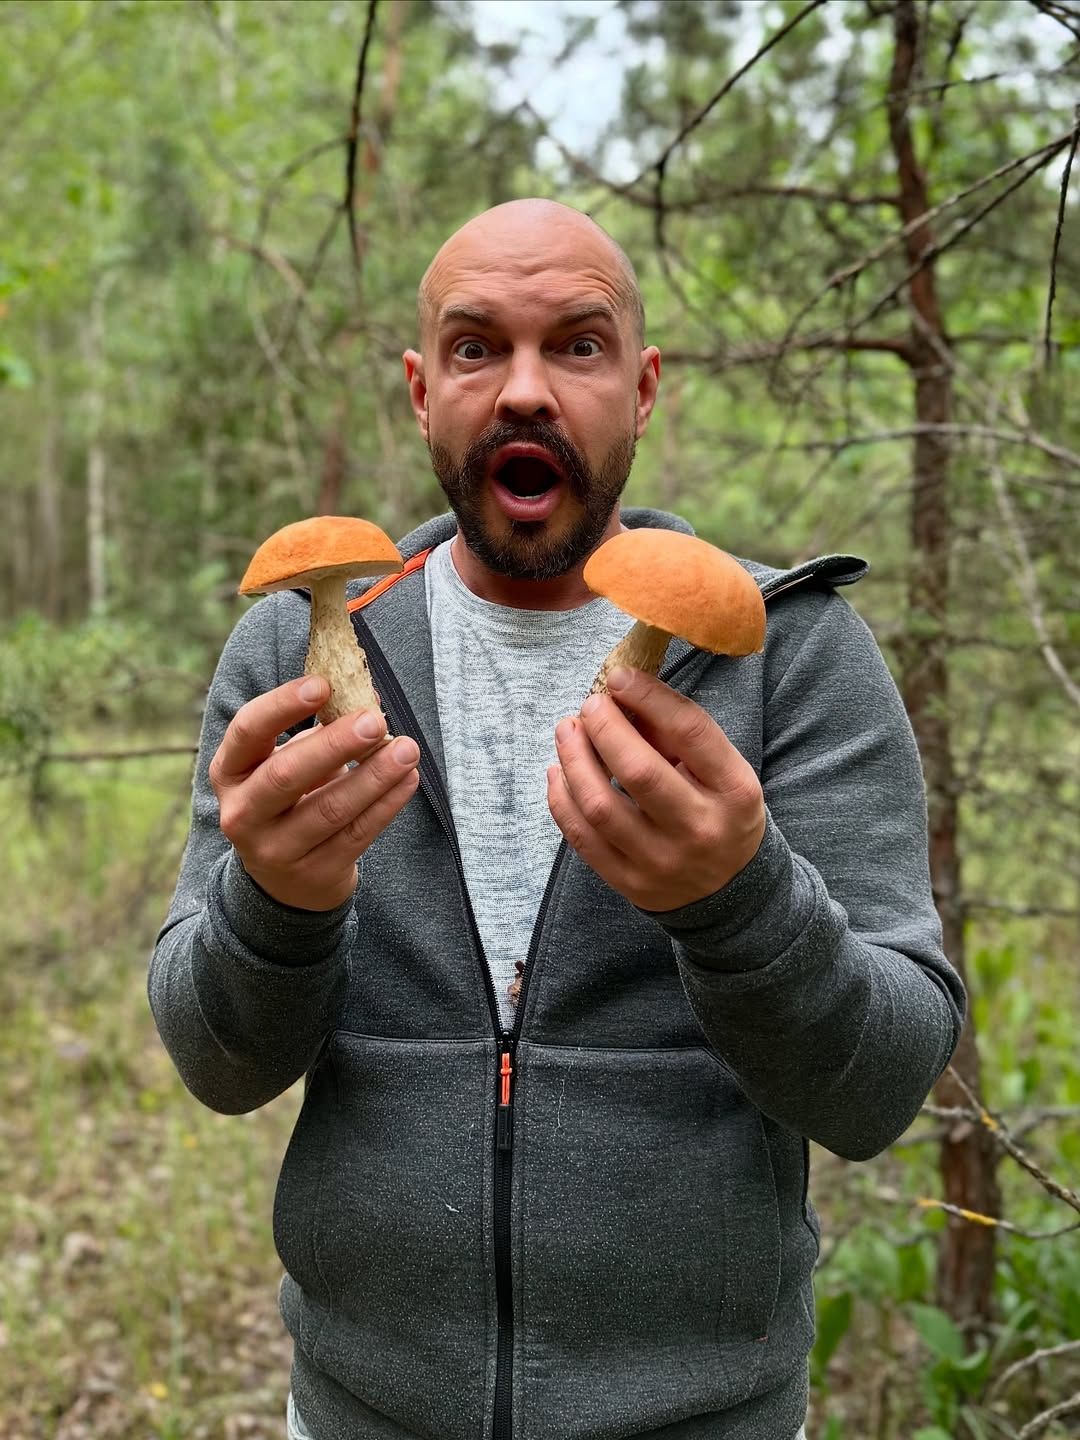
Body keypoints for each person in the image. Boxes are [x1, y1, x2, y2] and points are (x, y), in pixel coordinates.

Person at [150, 198, 965, 1440]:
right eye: (478, 348)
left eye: (577, 346)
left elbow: (883, 1089)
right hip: (362, 1413)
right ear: (422, 394)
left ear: (644, 390)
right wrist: (277, 906)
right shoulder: (298, 655)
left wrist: (739, 901)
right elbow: (218, 1065)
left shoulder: (791, 654)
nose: (525, 390)